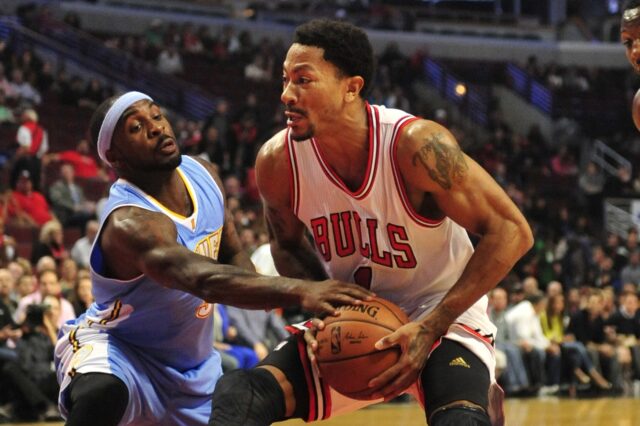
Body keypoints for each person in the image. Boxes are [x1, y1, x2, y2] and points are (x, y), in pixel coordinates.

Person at [209, 19, 533, 426]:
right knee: (243, 394)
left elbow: (512, 231)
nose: (286, 94)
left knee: (460, 421)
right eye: (285, 79)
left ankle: (473, 397)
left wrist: (433, 324)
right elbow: (287, 245)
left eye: (304, 80)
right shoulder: (278, 161)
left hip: (441, 314)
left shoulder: (414, 145)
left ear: (352, 87)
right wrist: (324, 300)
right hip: (356, 319)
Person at [53, 91, 372, 426]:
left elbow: (232, 255)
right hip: (121, 350)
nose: (157, 129)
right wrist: (303, 291)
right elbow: (201, 279)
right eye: (136, 128)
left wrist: (293, 306)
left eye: (157, 116)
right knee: (101, 391)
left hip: (192, 366)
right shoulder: (128, 222)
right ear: (114, 156)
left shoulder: (204, 173)